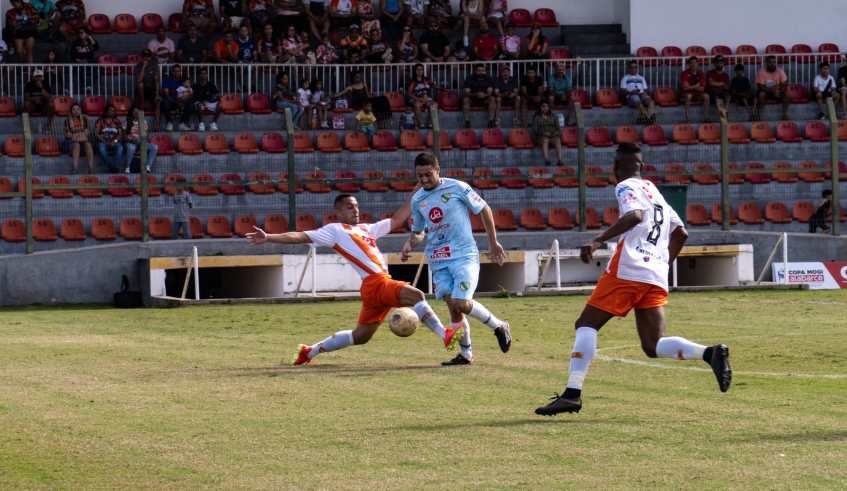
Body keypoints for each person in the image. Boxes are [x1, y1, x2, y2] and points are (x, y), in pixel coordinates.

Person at [534, 142, 732, 417]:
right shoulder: (655, 192)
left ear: (615, 166)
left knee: (586, 324)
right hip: (655, 274)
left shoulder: (626, 186)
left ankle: (572, 394)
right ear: (642, 166)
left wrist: (597, 239)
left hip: (629, 268)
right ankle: (710, 353)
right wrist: (662, 265)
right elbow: (681, 234)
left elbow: (634, 216)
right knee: (653, 345)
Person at [247, 192, 464, 365]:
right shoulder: (334, 230)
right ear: (338, 212)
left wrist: (417, 191)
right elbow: (299, 236)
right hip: (375, 282)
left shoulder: (366, 229)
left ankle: (308, 351)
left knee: (360, 337)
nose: (355, 209)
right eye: (349, 206)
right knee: (416, 294)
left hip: (374, 287)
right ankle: (444, 334)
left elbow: (397, 219)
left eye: (357, 206)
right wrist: (268, 237)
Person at [402, 152, 512, 366]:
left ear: (437, 170)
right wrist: (410, 243)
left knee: (462, 302)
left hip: (463, 255)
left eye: (427, 174)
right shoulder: (417, 200)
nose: (424, 180)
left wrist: (492, 242)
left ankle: (499, 326)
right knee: (453, 307)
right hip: (438, 259)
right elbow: (418, 232)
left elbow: (485, 209)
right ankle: (466, 354)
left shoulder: (457, 188)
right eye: (419, 176)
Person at [406, 63, 443, 128]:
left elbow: (435, 86)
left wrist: (445, 89)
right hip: (415, 98)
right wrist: (419, 99)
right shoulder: (412, 81)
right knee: (417, 104)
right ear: (415, 71)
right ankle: (420, 123)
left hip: (426, 99)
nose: (420, 71)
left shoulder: (427, 80)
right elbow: (410, 94)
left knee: (435, 104)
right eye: (418, 70)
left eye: (421, 69)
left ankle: (430, 123)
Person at [124, 106, 158, 173]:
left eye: (137, 111)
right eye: (134, 111)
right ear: (131, 113)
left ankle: (147, 166)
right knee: (131, 148)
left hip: (141, 142)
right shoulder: (126, 122)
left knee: (154, 147)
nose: (136, 113)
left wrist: (141, 142)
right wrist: (130, 140)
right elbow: (124, 136)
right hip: (130, 142)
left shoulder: (143, 122)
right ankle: (127, 167)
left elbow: (146, 136)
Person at [756, 55, 789, 121]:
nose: (772, 64)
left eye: (774, 62)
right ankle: (759, 115)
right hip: (766, 92)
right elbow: (760, 86)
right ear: (767, 63)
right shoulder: (761, 71)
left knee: (787, 94)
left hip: (777, 92)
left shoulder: (780, 71)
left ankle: (784, 114)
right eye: (770, 62)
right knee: (761, 94)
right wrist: (771, 91)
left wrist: (778, 91)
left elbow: (784, 85)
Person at [134, 49, 162, 128]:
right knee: (140, 85)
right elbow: (139, 80)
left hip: (152, 89)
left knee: (159, 101)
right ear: (142, 57)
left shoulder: (154, 65)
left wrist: (157, 93)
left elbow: (156, 80)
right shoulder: (137, 67)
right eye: (145, 56)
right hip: (142, 89)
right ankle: (143, 104)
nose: (147, 58)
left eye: (148, 56)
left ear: (151, 57)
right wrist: (143, 67)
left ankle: (156, 123)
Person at [162, 64, 195, 131]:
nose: (176, 73)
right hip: (172, 101)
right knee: (165, 102)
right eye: (175, 71)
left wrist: (185, 97)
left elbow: (191, 94)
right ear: (171, 71)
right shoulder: (167, 80)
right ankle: (169, 123)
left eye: (178, 71)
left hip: (183, 101)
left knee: (191, 104)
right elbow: (166, 95)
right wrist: (176, 102)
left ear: (181, 71)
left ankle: (183, 123)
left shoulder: (184, 80)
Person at [462, 63, 494, 128]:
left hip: (484, 98)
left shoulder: (488, 78)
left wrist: (484, 95)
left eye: (482, 71)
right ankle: (467, 121)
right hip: (472, 99)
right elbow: (466, 92)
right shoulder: (469, 78)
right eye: (479, 71)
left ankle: (491, 121)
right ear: (475, 71)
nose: (481, 72)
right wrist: (477, 94)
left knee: (492, 99)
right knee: (465, 99)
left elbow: (490, 92)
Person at [94, 104, 124, 172]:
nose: (112, 112)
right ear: (106, 111)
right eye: (110, 110)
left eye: (113, 111)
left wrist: (115, 141)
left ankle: (113, 165)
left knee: (120, 148)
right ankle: (110, 166)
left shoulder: (116, 121)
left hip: (114, 142)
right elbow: (96, 133)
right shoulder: (100, 120)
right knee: (101, 148)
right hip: (102, 142)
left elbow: (120, 134)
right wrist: (105, 142)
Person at [531, 101, 562, 166]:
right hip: (541, 136)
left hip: (553, 136)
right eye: (543, 106)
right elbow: (535, 130)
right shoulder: (536, 117)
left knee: (558, 140)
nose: (545, 108)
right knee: (545, 140)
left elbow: (558, 128)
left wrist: (556, 132)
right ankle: (546, 160)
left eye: (547, 106)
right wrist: (543, 133)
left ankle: (560, 160)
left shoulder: (553, 116)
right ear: (540, 108)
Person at [69, 25, 99, 93]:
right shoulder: (76, 43)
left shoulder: (93, 41)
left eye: (82, 32)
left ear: (86, 33)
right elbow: (72, 56)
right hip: (79, 60)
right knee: (79, 69)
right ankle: (86, 85)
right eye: (79, 33)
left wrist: (90, 38)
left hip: (90, 60)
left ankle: (90, 85)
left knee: (98, 68)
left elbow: (96, 48)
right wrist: (80, 61)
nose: (80, 34)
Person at [65, 102, 92, 174]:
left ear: (80, 111)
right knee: (76, 145)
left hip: (83, 141)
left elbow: (86, 132)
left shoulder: (84, 119)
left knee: (88, 145)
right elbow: (68, 135)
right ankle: (75, 168)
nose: (76, 111)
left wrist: (75, 134)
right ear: (71, 111)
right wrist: (79, 134)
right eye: (74, 109)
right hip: (71, 143)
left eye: (78, 109)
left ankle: (91, 168)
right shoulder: (67, 120)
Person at [680, 56, 709, 123]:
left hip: (697, 94)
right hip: (685, 94)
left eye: (695, 62)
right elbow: (684, 88)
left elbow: (702, 89)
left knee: (706, 96)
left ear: (697, 64)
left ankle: (706, 117)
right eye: (691, 62)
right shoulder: (684, 73)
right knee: (689, 95)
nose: (693, 64)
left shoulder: (701, 73)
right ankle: (687, 118)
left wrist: (689, 87)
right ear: (689, 64)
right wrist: (696, 86)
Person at [193, 67, 222, 131]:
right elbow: (193, 98)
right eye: (202, 73)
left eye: (205, 73)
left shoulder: (211, 84)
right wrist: (199, 102)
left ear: (207, 75)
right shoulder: (195, 86)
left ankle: (213, 123)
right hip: (199, 103)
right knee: (199, 105)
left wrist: (219, 101)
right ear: (199, 75)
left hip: (209, 103)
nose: (203, 75)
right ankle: (201, 124)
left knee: (220, 105)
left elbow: (217, 95)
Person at [235, 25, 259, 91]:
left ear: (248, 32)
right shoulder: (236, 43)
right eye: (242, 31)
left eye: (245, 31)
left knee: (257, 66)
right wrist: (242, 60)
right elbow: (235, 56)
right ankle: (242, 85)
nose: (244, 32)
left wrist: (254, 61)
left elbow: (255, 53)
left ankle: (252, 85)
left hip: (251, 60)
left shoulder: (252, 41)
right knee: (240, 66)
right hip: (241, 60)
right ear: (239, 32)